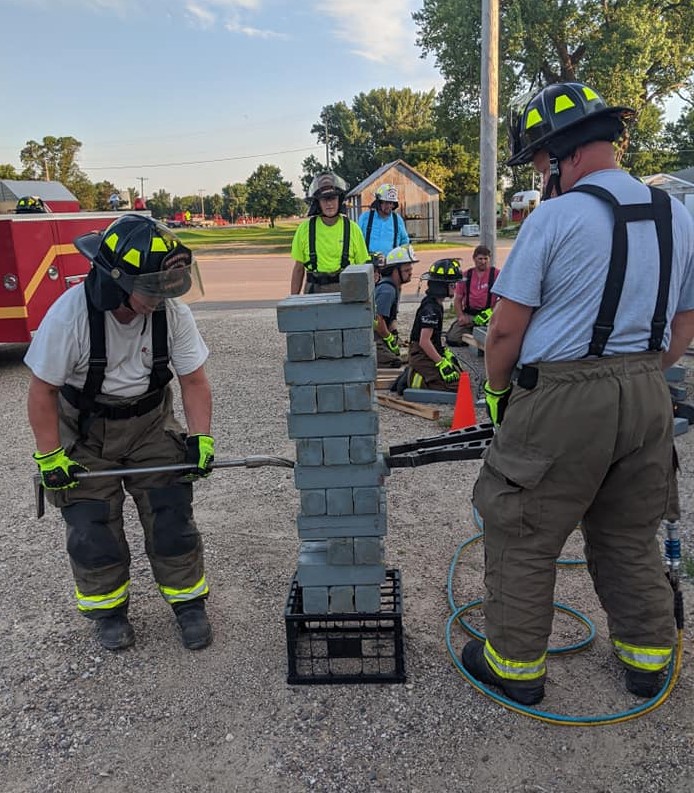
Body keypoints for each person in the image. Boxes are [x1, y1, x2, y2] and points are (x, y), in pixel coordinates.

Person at [462, 81, 694, 706]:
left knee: (522, 530)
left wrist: (501, 396)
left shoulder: (555, 219)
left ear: (566, 154)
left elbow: (505, 330)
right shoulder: (678, 214)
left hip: (562, 398)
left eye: (541, 164)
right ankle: (649, 660)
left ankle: (513, 667)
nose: (540, 178)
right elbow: (685, 326)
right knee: (627, 530)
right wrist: (641, 373)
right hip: (650, 392)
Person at [25, 214, 216, 653]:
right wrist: (51, 456)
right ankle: (108, 612)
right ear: (115, 281)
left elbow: (193, 380)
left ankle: (188, 604)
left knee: (171, 515)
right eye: (152, 289)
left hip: (150, 422)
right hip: (87, 429)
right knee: (91, 524)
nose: (162, 297)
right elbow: (42, 392)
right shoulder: (68, 316)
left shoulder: (172, 312)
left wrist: (200, 437)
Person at [290, 172, 369, 295]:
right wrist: (293, 301)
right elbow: (299, 268)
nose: (329, 204)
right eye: (324, 199)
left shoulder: (353, 228)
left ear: (340, 199)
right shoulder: (305, 229)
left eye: (333, 198)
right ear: (317, 203)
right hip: (314, 293)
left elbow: (362, 267)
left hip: (347, 293)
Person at [407, 259, 463, 392]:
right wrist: (440, 362)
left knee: (459, 375)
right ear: (441, 286)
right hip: (419, 354)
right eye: (452, 285)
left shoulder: (436, 304)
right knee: (455, 385)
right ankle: (415, 378)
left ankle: (424, 373)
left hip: (427, 351)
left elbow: (433, 338)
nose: (455, 288)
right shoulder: (431, 309)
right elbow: (424, 341)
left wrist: (443, 352)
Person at [373, 245, 417, 368]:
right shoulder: (388, 290)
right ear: (395, 271)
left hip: (379, 334)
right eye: (406, 271)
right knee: (394, 362)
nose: (410, 273)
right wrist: (389, 339)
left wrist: (395, 334)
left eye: (410, 270)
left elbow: (391, 317)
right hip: (372, 337)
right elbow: (378, 320)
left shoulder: (395, 287)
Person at [445, 245, 499, 345]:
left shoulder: (496, 274)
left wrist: (492, 312)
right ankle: (474, 338)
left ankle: (480, 340)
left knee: (498, 339)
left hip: (489, 315)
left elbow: (504, 298)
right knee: (452, 339)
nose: (483, 262)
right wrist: (461, 316)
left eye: (486, 259)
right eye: (480, 259)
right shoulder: (466, 275)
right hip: (470, 315)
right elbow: (458, 299)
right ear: (474, 259)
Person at [358, 183, 409, 258]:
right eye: (386, 202)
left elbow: (404, 242)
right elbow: (357, 241)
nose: (390, 206)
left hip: (391, 264)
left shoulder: (397, 220)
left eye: (392, 203)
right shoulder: (365, 218)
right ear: (378, 202)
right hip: (369, 263)